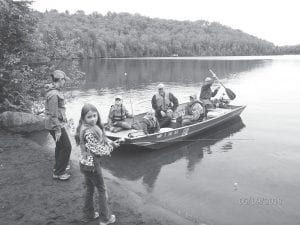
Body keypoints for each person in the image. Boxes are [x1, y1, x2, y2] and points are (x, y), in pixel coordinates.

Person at [75, 103, 119, 225]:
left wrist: (111, 142)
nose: (93, 119)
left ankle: (88, 215)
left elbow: (102, 139)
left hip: (84, 164)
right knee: (102, 189)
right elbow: (98, 150)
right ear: (84, 118)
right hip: (92, 165)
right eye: (89, 117)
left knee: (89, 189)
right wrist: (112, 147)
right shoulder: (89, 132)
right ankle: (105, 218)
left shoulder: (84, 127)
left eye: (95, 115)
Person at [45, 70, 72, 181]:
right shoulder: (54, 94)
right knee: (67, 147)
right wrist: (58, 129)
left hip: (54, 124)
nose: (65, 82)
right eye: (64, 80)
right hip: (55, 125)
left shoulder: (54, 91)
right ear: (60, 80)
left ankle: (58, 167)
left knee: (60, 146)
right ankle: (59, 173)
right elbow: (53, 114)